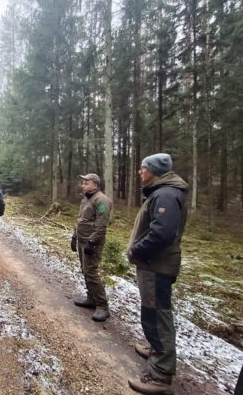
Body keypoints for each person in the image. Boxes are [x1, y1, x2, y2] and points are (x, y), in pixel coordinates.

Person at [127, 153, 188, 395]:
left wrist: (136, 250)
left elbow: (161, 234)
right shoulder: (162, 191)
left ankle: (161, 376)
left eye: (143, 168)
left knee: (157, 315)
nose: (140, 172)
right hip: (154, 264)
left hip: (157, 265)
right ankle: (156, 348)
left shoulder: (166, 194)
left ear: (154, 170)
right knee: (152, 311)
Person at [71, 173, 112, 322]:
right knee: (85, 270)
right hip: (82, 240)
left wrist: (92, 242)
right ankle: (91, 298)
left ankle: (103, 306)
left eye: (86, 183)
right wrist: (74, 236)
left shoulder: (101, 200)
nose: (83, 185)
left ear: (95, 184)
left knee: (91, 272)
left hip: (92, 243)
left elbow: (101, 226)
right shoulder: (86, 199)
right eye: (82, 183)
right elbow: (81, 220)